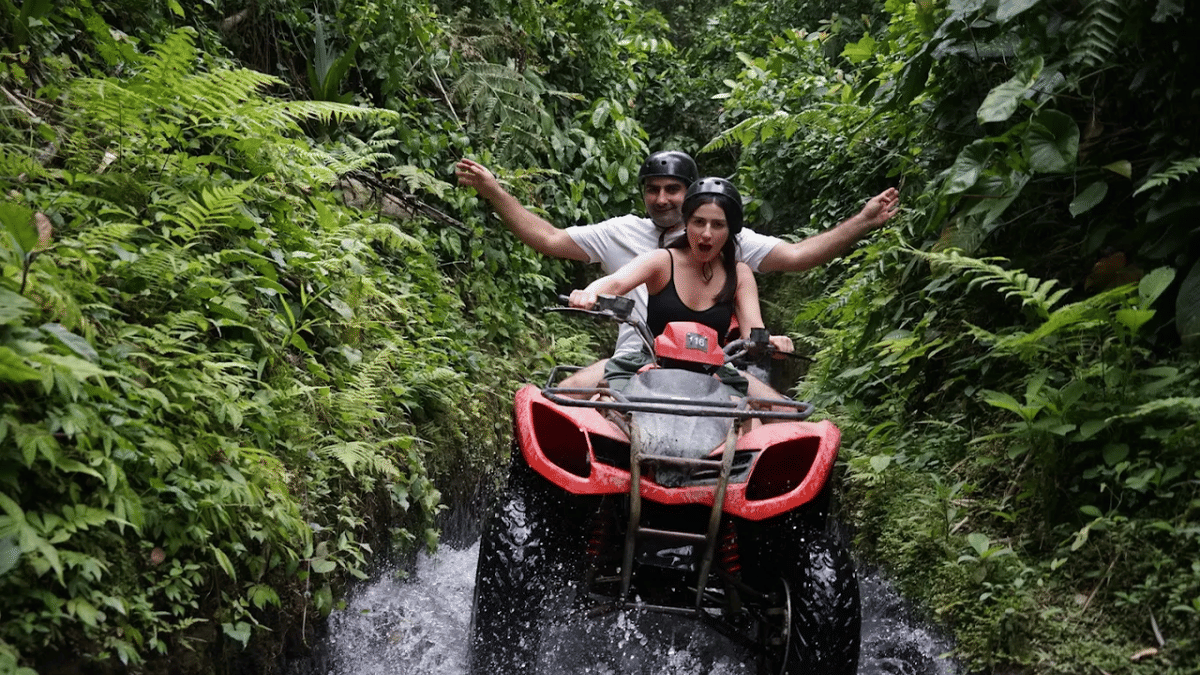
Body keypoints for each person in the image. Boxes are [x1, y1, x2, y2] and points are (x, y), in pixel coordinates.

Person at [455, 151, 899, 393]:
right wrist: (495, 192)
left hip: (711, 369)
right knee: (558, 402)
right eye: (654, 190)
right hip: (637, 363)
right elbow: (567, 252)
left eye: (674, 190)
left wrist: (860, 222)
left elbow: (794, 262)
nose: (663, 199)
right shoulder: (641, 245)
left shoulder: (737, 255)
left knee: (786, 421)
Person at [568, 177, 791, 394]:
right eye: (699, 222)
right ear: (686, 224)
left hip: (714, 371)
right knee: (569, 389)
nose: (706, 234)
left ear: (730, 230)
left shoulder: (739, 273)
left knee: (780, 412)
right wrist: (589, 293)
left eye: (718, 225)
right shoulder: (662, 260)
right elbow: (616, 282)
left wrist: (770, 342)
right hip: (651, 363)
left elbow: (753, 333)